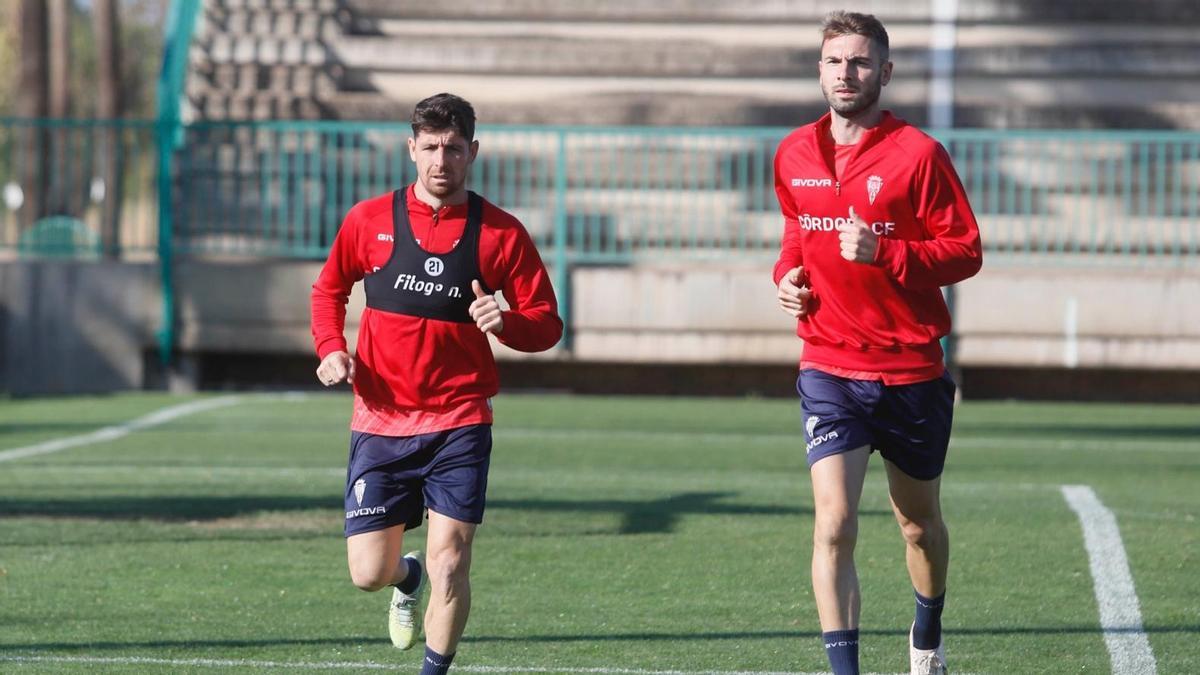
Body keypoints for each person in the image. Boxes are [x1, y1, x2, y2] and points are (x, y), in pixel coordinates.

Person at [310, 92, 562, 674]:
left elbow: (546, 323)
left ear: (472, 151)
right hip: (380, 419)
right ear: (410, 150)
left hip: (459, 421)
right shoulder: (368, 220)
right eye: (429, 148)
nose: (440, 160)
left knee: (454, 561)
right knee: (368, 573)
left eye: (452, 148)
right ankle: (407, 574)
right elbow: (328, 291)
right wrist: (331, 349)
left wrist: (510, 323)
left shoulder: (501, 233)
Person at [772, 11, 983, 675]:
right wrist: (787, 278)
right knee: (833, 521)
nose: (846, 73)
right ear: (820, 69)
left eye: (860, 62)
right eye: (835, 61)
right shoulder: (792, 153)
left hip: (912, 369)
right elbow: (793, 235)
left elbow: (965, 251)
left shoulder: (919, 154)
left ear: (884, 73)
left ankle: (927, 629)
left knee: (918, 523)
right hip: (829, 366)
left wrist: (886, 251)